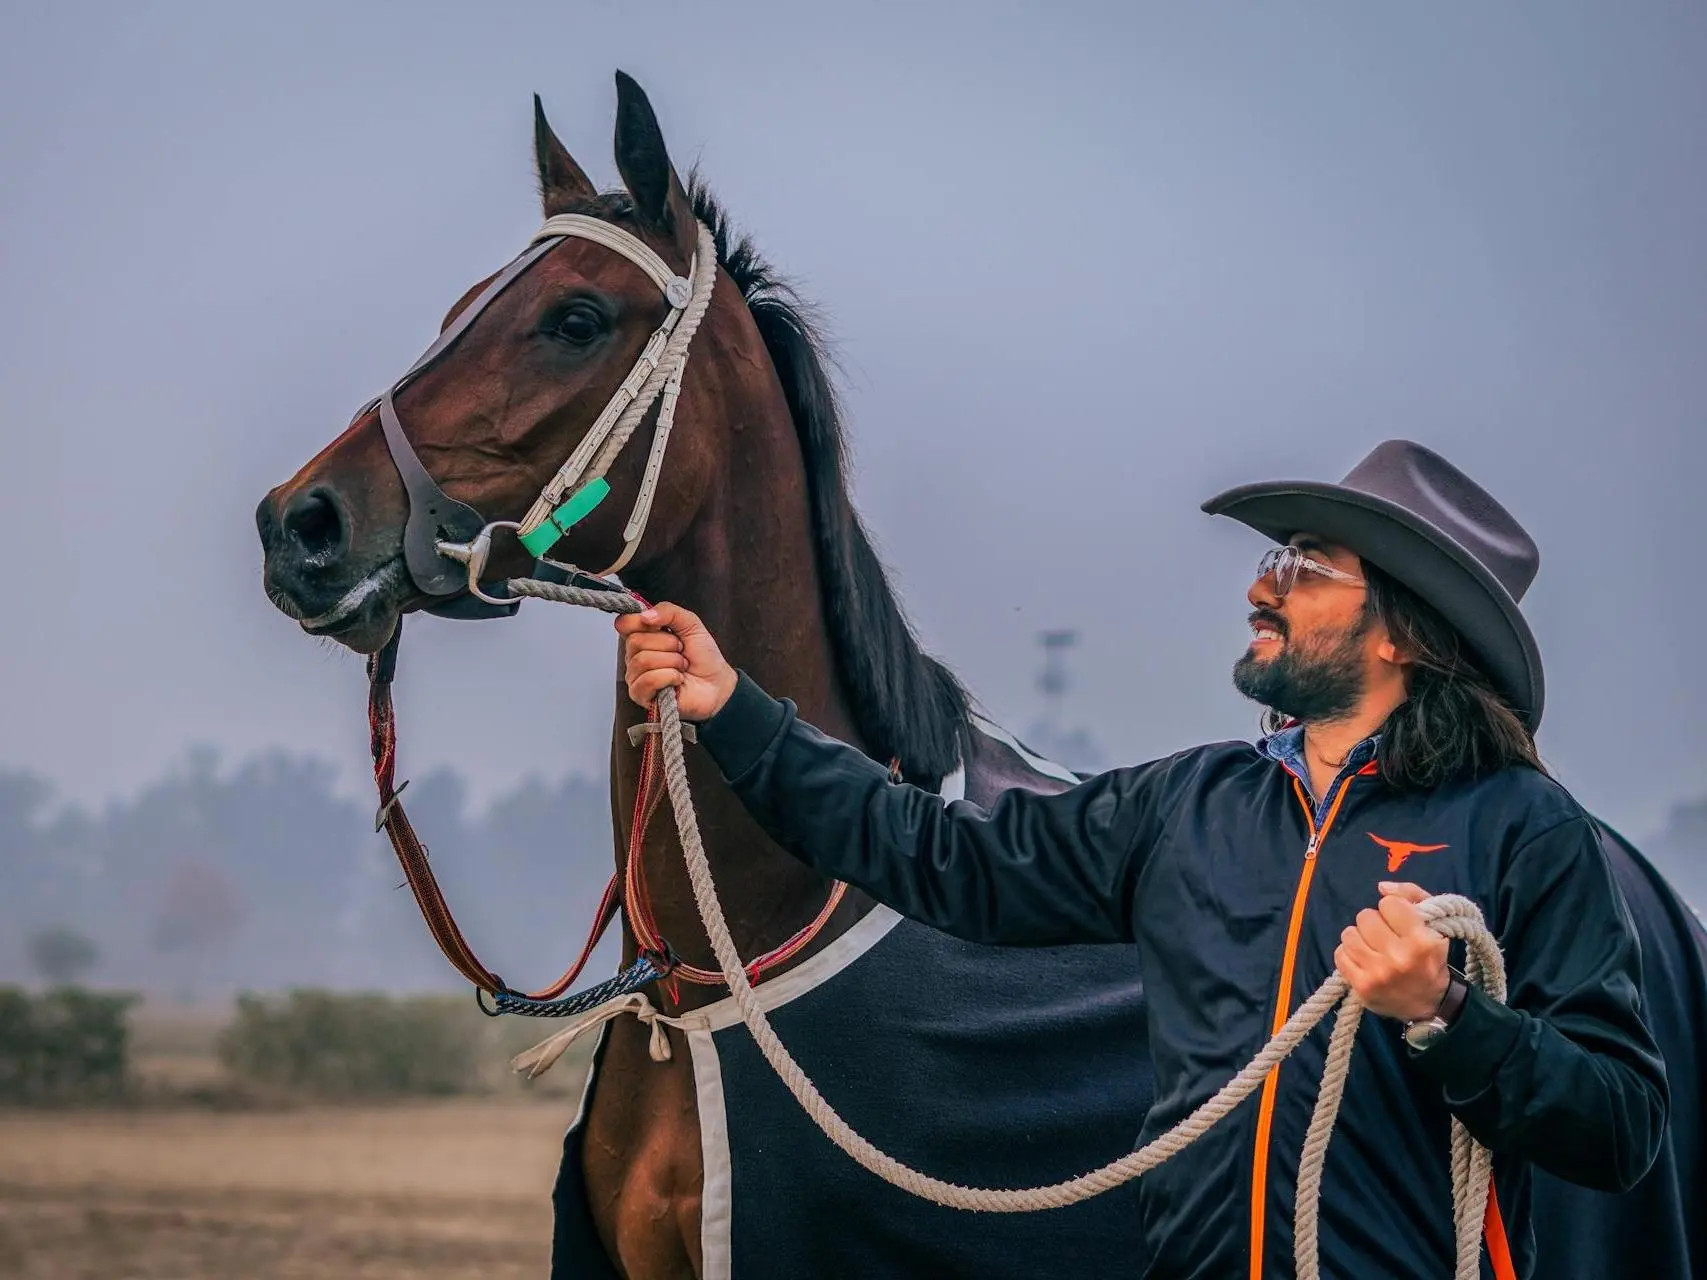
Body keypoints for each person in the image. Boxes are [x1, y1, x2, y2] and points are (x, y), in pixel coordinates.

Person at [615, 439, 1667, 1280]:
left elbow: (1621, 1126)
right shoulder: (1192, 804)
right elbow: (943, 854)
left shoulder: (1526, 829)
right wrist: (737, 711)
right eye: (1271, 558)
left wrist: (1447, 1015)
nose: (1264, 586)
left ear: (1404, 632)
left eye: (1304, 566)